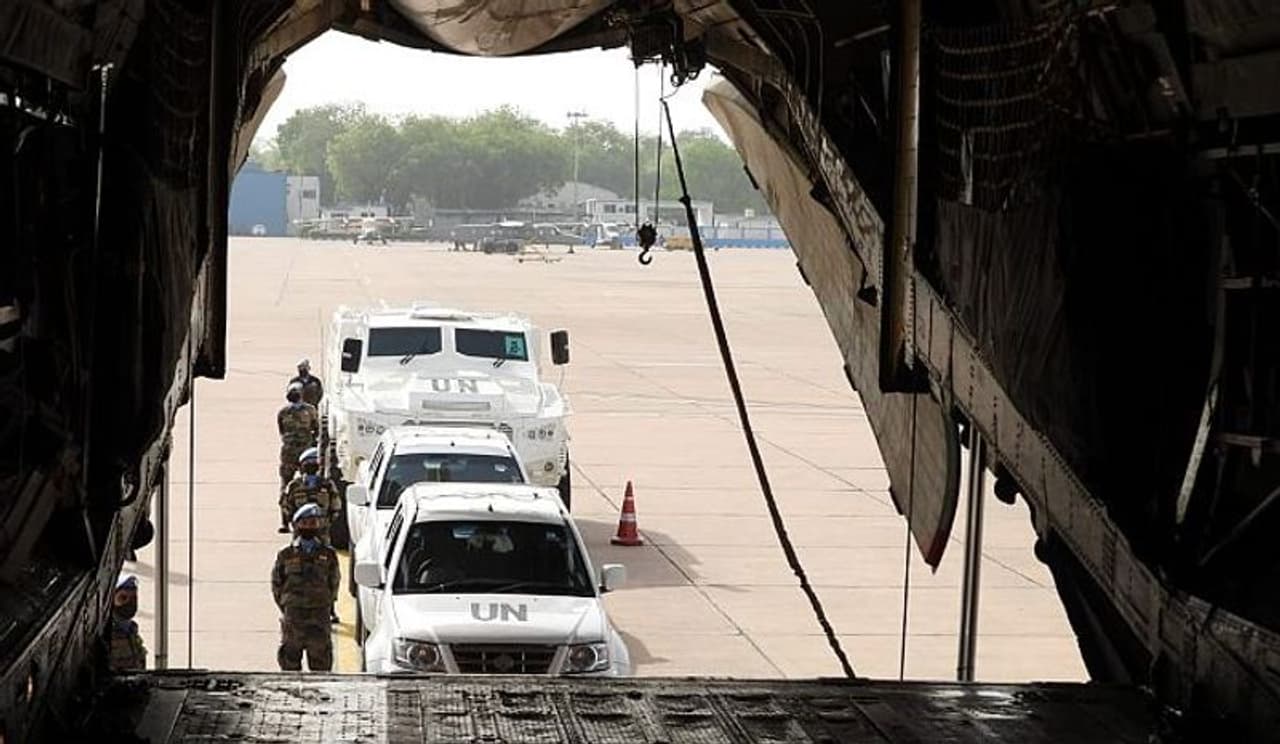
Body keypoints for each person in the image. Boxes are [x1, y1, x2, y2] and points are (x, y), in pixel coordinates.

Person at [271, 503, 339, 672]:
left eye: (314, 523)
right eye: (306, 523)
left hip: (319, 614)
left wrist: (325, 602)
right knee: (290, 660)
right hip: (294, 614)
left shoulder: (328, 554)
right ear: (296, 525)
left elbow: (334, 582)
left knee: (321, 662)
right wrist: (287, 605)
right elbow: (277, 583)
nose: (310, 527)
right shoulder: (286, 554)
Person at [277, 382, 319, 526]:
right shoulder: (310, 410)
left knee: (286, 485)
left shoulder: (283, 412)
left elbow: (281, 431)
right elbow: (315, 428)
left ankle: (285, 521)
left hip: (290, 451)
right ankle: (301, 517)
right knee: (306, 485)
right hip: (304, 452)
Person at [107, 574, 147, 672]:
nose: (130, 602)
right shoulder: (107, 634)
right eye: (123, 598)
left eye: (134, 598)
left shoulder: (132, 630)